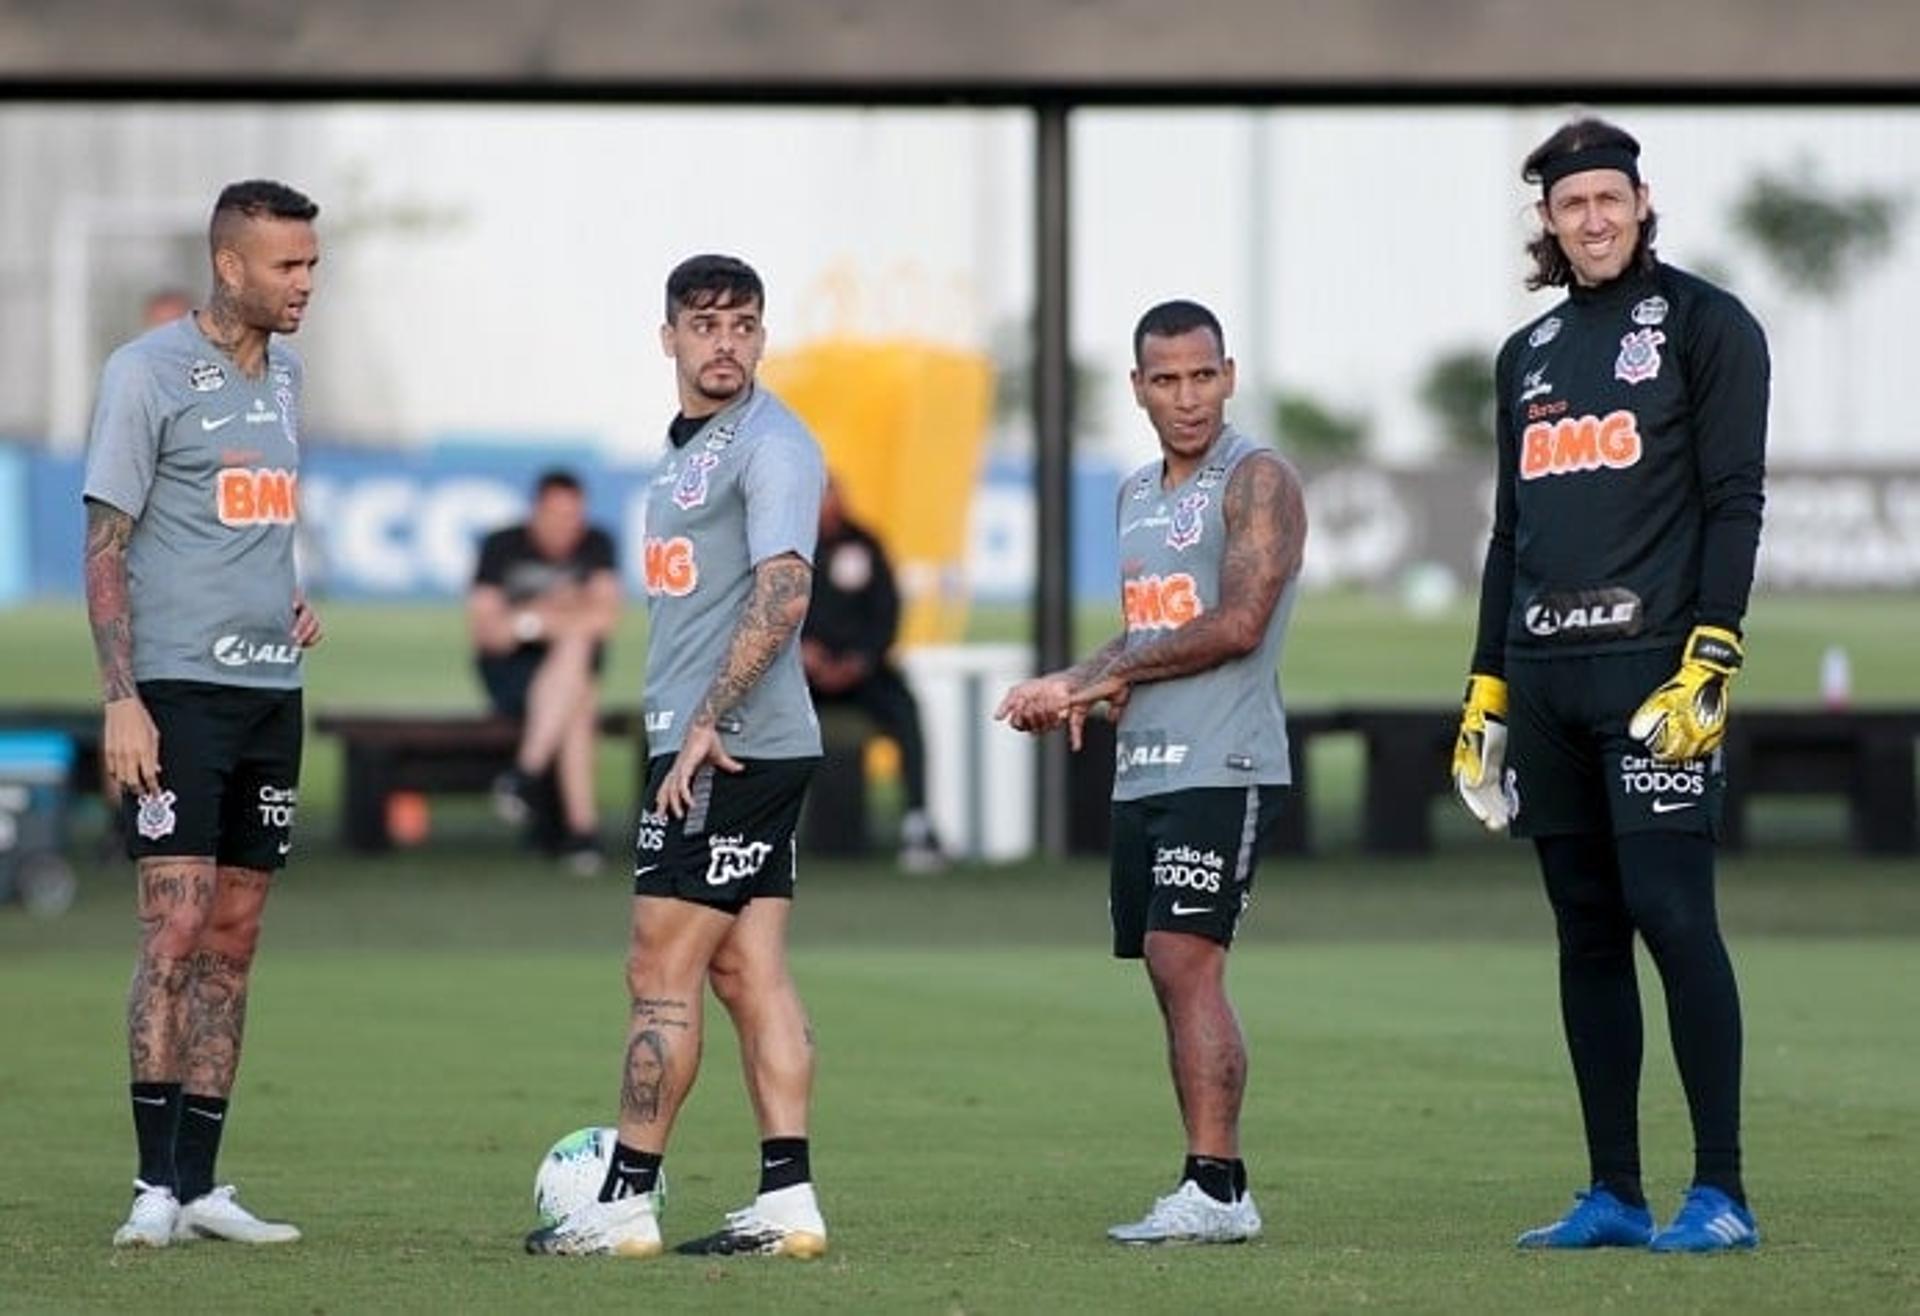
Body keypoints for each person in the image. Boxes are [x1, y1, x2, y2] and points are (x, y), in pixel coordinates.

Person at [1452, 117, 1769, 1254]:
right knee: (1585, 930)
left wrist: (1714, 650)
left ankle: (1721, 1192)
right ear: (1546, 218)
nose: (1592, 218)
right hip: (1545, 679)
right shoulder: (1524, 354)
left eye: (1610, 199)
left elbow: (1736, 499)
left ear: (1642, 203)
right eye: (1570, 203)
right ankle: (1614, 1194)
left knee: (1674, 916)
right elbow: (1509, 531)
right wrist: (1485, 687)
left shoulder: (1707, 325)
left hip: (1655, 675)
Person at [525, 254, 830, 1260]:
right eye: (706, 324)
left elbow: (785, 588)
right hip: (733, 741)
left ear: (763, 334)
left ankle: (623, 1196)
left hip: (729, 749)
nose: (726, 341)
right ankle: (788, 1199)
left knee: (659, 967)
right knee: (749, 971)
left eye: (744, 323)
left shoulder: (773, 444)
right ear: (670, 336)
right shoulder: (685, 450)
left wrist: (707, 720)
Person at [995, 300, 1307, 1246]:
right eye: (1166, 380)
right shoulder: (1136, 493)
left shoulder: (1256, 478)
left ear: (1230, 374)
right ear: (1137, 388)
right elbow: (1150, 628)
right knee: (1166, 974)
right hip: (1144, 771)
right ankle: (1217, 1187)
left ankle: (1214, 1190)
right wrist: (1077, 685)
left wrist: (1112, 674)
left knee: (1186, 960)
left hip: (1227, 759)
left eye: (1202, 375)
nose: (1187, 397)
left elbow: (1237, 622)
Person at [83, 180, 323, 1248]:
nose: (306, 283)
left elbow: (253, 517)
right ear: (232, 265)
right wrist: (121, 698)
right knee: (174, 929)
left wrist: (288, 589)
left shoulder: (290, 377)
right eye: (289, 266)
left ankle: (202, 1182)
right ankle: (149, 1186)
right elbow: (106, 544)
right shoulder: (143, 375)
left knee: (236, 934)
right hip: (176, 690)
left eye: (312, 264)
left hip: (274, 689)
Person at [468, 468, 621, 873]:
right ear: (535, 512)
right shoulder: (502, 545)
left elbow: (605, 619)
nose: (565, 527)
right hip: (510, 674)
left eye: (573, 517)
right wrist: (550, 615)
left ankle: (526, 775)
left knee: (575, 676)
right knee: (578, 683)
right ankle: (581, 833)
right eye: (556, 515)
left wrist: (524, 619)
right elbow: (488, 632)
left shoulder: (597, 543)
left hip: (566, 675)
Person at [802, 475, 946, 872]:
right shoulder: (787, 548)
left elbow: (886, 613)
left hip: (862, 673)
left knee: (906, 710)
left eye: (833, 498)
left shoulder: (866, 544)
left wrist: (861, 660)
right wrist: (800, 652)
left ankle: (917, 822)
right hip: (801, 675)